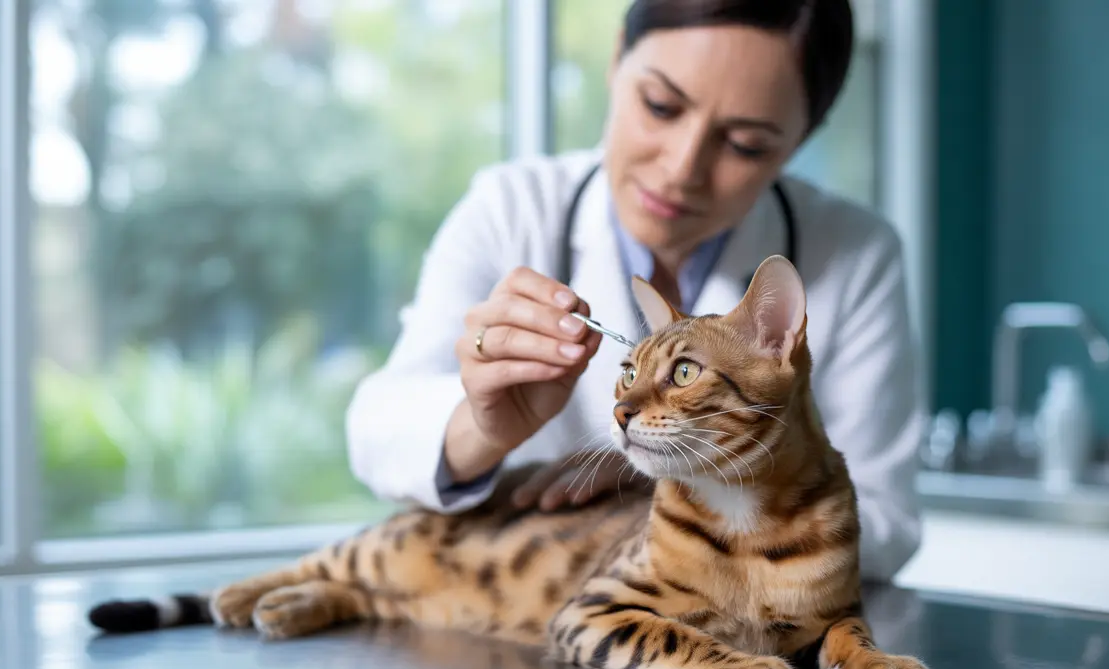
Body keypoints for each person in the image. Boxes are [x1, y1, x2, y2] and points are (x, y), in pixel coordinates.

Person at [344, 0, 925, 582]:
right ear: (618, 56)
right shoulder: (511, 210)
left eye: (746, 144)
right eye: (660, 106)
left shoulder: (856, 254)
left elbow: (884, 522)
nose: (682, 167)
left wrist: (668, 484)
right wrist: (481, 427)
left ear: (801, 140)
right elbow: (376, 432)